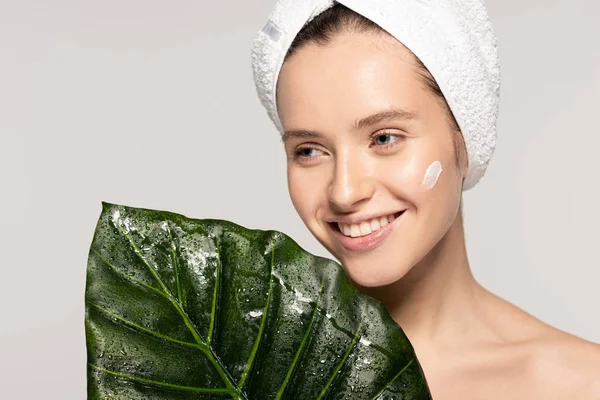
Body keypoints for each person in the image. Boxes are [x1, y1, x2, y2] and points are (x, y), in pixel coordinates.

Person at [251, 0, 600, 398]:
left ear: (464, 142)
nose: (344, 192)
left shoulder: (583, 384)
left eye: (384, 138)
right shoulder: (242, 369)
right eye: (309, 150)